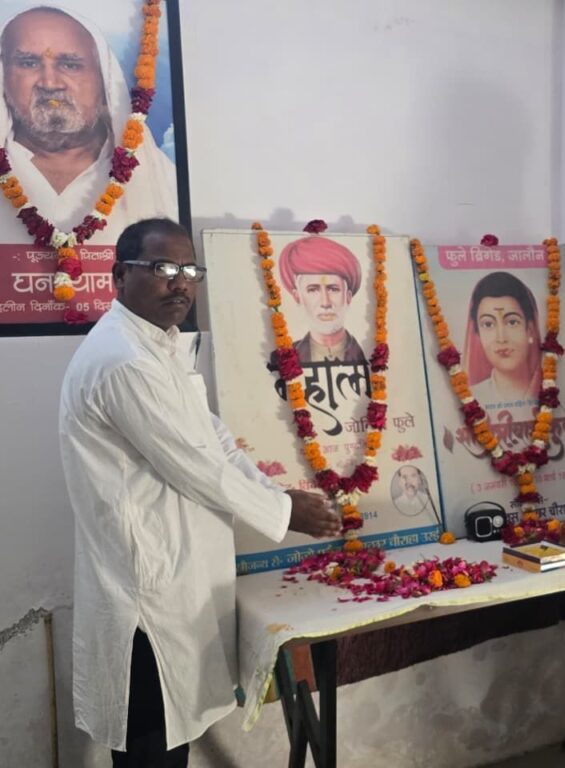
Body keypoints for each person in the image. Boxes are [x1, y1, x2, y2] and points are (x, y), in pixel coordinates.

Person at [58, 218, 341, 767]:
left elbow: (215, 443)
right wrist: (284, 511)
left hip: (178, 579)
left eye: (190, 271)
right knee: (151, 747)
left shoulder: (162, 346)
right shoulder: (124, 361)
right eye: (164, 268)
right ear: (119, 276)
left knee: (171, 740)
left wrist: (278, 494)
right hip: (146, 595)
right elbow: (195, 466)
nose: (181, 283)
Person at [0, 7, 177, 240]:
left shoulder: (161, 177)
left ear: (104, 80)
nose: (50, 83)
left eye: (70, 65)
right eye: (28, 63)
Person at [278, 235, 367, 365]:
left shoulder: (368, 353)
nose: (325, 303)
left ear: (348, 297)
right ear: (297, 297)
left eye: (333, 289)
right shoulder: (280, 359)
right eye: (313, 290)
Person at [463, 270, 541, 410]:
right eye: (488, 324)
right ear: (478, 334)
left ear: (530, 330)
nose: (501, 338)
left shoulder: (552, 391)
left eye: (512, 322)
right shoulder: (471, 399)